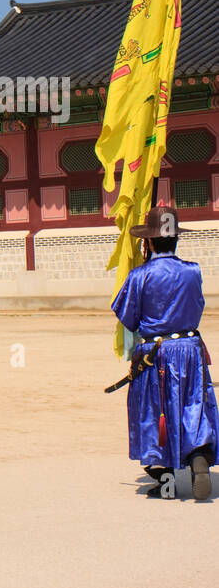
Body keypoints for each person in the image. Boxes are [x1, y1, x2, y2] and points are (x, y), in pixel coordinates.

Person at [111, 206, 218, 500]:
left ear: (149, 242)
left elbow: (128, 318)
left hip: (154, 354)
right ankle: (198, 452)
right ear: (176, 240)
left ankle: (166, 480)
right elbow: (197, 306)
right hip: (189, 348)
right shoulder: (192, 271)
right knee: (191, 403)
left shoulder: (139, 275)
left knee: (154, 411)